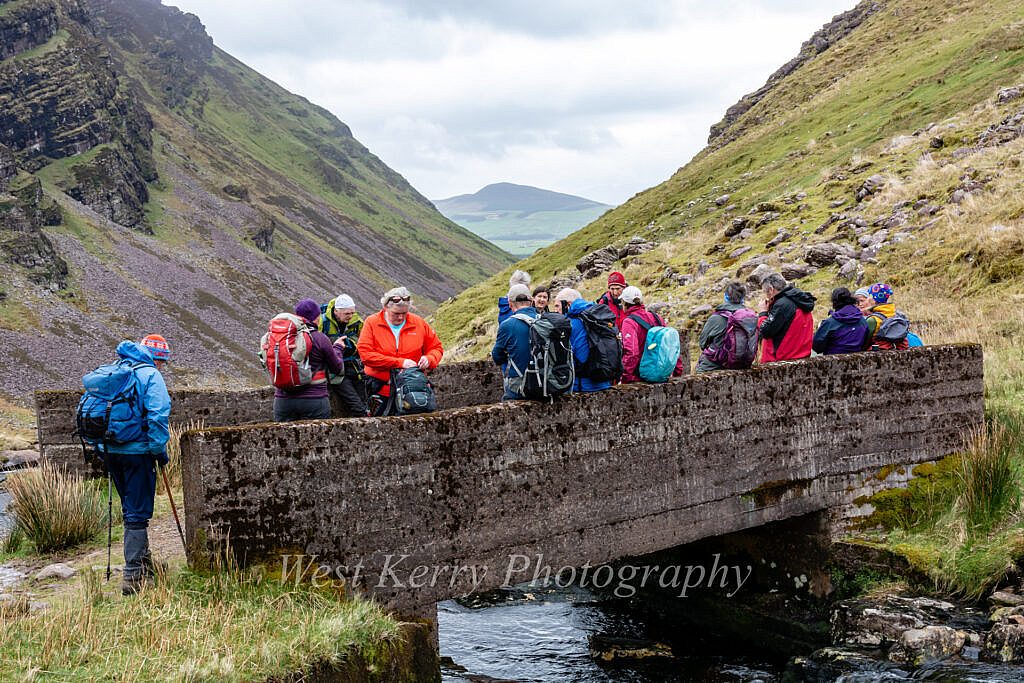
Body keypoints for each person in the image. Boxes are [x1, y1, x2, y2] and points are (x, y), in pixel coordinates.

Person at [105, 335, 172, 595]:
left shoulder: (117, 369)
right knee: (138, 513)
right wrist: (159, 451)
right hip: (138, 452)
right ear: (157, 359)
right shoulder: (150, 375)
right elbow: (158, 414)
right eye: (162, 362)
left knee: (129, 507)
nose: (162, 367)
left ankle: (144, 564)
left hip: (111, 450)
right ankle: (134, 578)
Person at [358, 287, 444, 415]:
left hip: (412, 390)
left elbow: (436, 347)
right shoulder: (371, 323)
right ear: (386, 307)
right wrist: (399, 363)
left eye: (404, 313)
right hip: (381, 390)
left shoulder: (419, 323)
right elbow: (366, 355)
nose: (401, 317)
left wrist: (429, 359)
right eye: (396, 313)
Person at [273, 298, 344, 422]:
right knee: (317, 439)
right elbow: (337, 368)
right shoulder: (320, 338)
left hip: (283, 400)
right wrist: (338, 348)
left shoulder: (282, 338)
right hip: (314, 399)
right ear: (317, 318)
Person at [619, 286, 684, 383]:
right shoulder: (656, 317)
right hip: (661, 373)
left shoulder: (629, 322)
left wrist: (626, 378)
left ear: (625, 303)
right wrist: (677, 372)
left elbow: (632, 353)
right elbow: (671, 344)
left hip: (640, 376)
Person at [555, 288, 614, 393]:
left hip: (582, 386)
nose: (555, 311)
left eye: (557, 306)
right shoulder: (597, 318)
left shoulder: (570, 325)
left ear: (567, 305)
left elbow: (567, 357)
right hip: (604, 382)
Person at [318, 294, 368, 416]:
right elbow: (316, 344)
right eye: (347, 314)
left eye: (352, 313)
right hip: (335, 369)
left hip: (354, 367)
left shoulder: (356, 322)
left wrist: (351, 345)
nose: (350, 316)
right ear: (336, 311)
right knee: (358, 406)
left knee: (365, 403)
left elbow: (365, 340)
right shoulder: (323, 322)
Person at [491, 284, 538, 400]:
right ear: (531, 301)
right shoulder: (545, 320)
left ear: (510, 303)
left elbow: (497, 356)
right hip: (546, 381)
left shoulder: (507, 325)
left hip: (520, 384)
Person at [696, 281, 755, 373]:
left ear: (726, 296)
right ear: (743, 298)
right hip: (741, 365)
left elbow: (702, 343)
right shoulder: (750, 318)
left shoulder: (716, 318)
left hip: (714, 366)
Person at [757, 273, 816, 362]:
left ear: (771, 290)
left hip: (784, 359)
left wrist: (763, 313)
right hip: (802, 356)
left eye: (766, 292)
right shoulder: (799, 299)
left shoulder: (782, 305)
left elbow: (765, 331)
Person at [813, 287, 870, 355]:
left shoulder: (830, 323)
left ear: (834, 302)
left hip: (833, 362)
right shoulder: (863, 321)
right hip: (857, 362)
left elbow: (817, 347)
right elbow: (866, 343)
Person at [863, 283, 910, 351]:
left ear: (873, 299)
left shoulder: (872, 320)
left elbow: (864, 343)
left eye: (868, 296)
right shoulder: (898, 315)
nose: (867, 300)